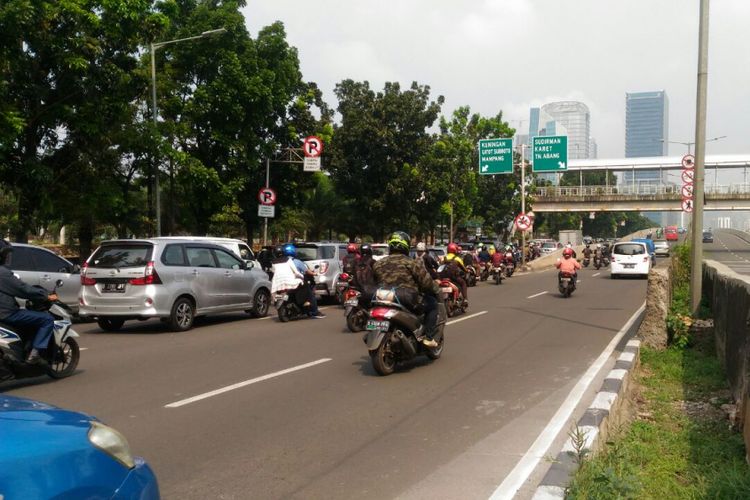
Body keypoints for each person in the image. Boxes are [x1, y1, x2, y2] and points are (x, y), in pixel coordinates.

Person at [373, 231, 440, 348]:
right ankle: (428, 337)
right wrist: (435, 289)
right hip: (407, 300)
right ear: (406, 246)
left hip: (383, 298)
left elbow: (373, 282)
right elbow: (426, 283)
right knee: (433, 304)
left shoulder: (378, 264)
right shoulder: (411, 263)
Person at [0, 240, 58, 364]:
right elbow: (23, 289)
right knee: (46, 319)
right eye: (6, 254)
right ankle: (34, 354)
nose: (7, 257)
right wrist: (46, 295)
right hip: (7, 313)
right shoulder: (3, 273)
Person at [271, 244, 325, 319]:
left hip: (277, 284)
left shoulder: (274, 262)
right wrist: (304, 276)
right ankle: (314, 311)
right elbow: (301, 271)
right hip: (291, 282)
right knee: (309, 292)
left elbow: (273, 272)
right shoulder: (292, 261)